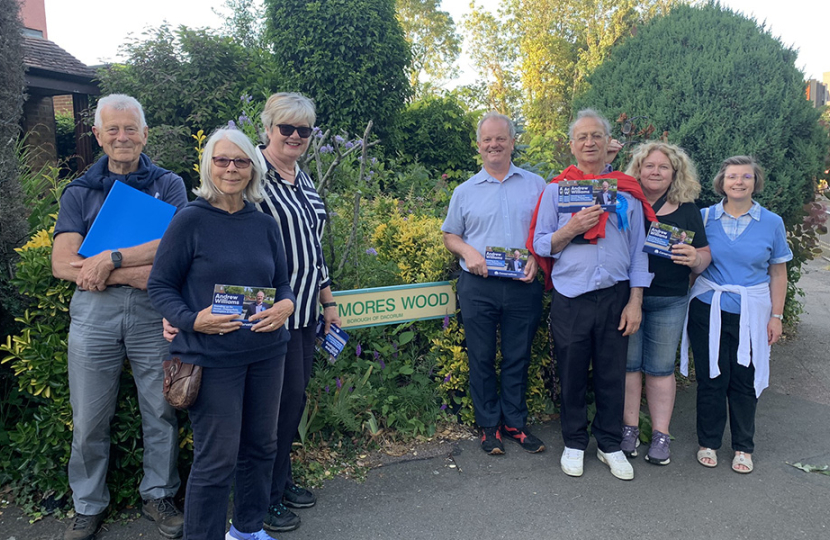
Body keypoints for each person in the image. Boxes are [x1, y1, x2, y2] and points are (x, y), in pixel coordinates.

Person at [148, 128, 296, 540]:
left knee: (261, 448)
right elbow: (160, 286)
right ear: (208, 166)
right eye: (222, 160)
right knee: (216, 460)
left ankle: (247, 530)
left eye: (241, 161)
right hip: (211, 360)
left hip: (267, 353)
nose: (231, 168)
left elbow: (282, 284)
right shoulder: (190, 220)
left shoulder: (264, 223)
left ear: (253, 168)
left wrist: (287, 305)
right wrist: (194, 320)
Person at [51, 94, 186, 540]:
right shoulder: (79, 190)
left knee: (161, 408)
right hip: (94, 313)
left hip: (154, 313)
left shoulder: (169, 185)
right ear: (98, 135)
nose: (123, 137)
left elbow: (172, 249)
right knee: (89, 416)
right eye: (113, 129)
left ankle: (159, 495)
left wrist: (109, 258)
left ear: (145, 134)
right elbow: (62, 262)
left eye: (131, 128)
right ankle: (87, 505)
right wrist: (134, 272)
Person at [530, 109, 654, 481]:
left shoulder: (627, 193)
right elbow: (540, 243)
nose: (589, 143)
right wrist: (571, 229)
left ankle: (610, 444)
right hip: (571, 295)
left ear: (608, 143)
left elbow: (638, 251)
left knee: (612, 373)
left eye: (596, 136)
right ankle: (573, 441)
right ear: (571, 145)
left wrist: (635, 301)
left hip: (615, 295)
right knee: (571, 372)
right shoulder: (555, 190)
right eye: (582, 137)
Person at [255, 92, 341, 531]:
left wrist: (328, 300)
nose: (293, 136)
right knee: (269, 409)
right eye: (285, 128)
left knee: (292, 402)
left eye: (302, 130)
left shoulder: (301, 179)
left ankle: (280, 479)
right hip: (270, 315)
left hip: (306, 312)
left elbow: (313, 248)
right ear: (267, 129)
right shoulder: (252, 175)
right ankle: (261, 498)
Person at [442, 111, 546, 456]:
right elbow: (450, 234)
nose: (494, 145)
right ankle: (489, 427)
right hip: (478, 285)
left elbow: (546, 233)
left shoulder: (537, 185)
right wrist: (467, 251)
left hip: (522, 283)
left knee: (518, 357)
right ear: (478, 146)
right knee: (482, 357)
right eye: (487, 139)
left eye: (500, 138)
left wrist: (536, 258)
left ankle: (515, 423)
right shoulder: (465, 191)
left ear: (513, 142)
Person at [680, 155, 791, 474]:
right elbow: (693, 263)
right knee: (711, 378)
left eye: (746, 176)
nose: (739, 181)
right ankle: (708, 442)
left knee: (744, 380)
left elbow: (778, 273)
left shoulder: (771, 222)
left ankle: (744, 446)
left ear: (756, 182)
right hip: (708, 308)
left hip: (753, 312)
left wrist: (777, 316)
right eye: (732, 176)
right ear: (722, 182)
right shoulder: (704, 217)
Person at [621, 142, 711, 466]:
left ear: (675, 172)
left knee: (660, 370)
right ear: (639, 170)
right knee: (629, 367)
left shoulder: (688, 208)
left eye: (663, 167)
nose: (655, 171)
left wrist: (694, 257)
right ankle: (629, 429)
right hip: (628, 299)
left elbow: (704, 256)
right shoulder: (627, 203)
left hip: (670, 300)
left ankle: (660, 435)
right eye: (649, 166)